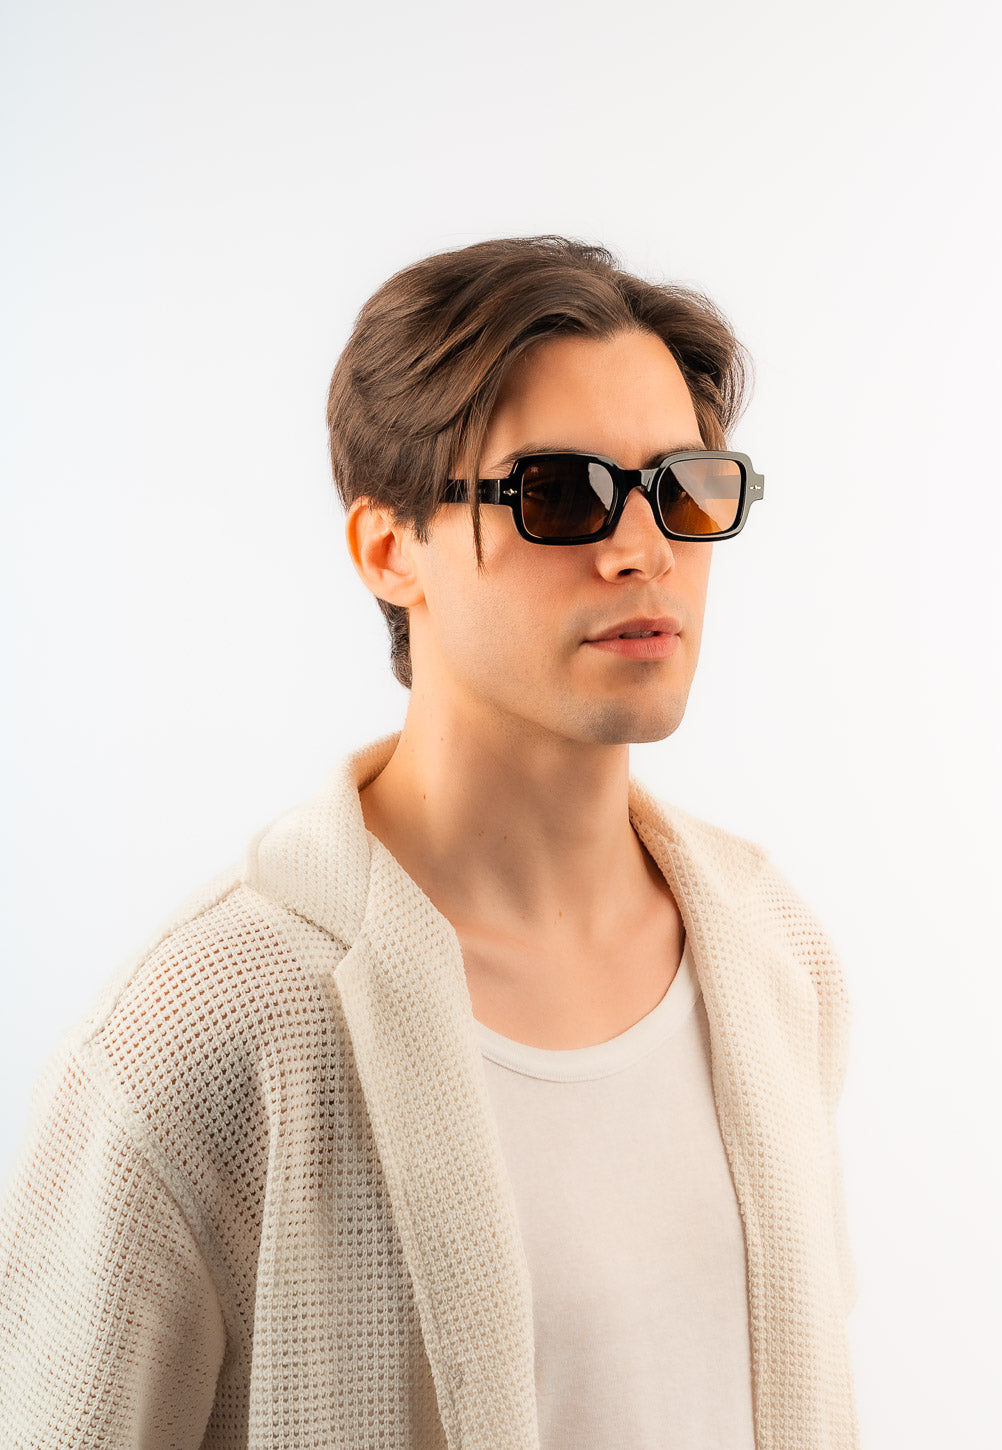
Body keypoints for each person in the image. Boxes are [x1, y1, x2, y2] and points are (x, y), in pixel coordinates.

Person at [0, 235, 860, 1448]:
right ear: (386, 548)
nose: (644, 548)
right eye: (558, 493)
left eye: (682, 486)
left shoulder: (771, 950)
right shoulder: (202, 1032)